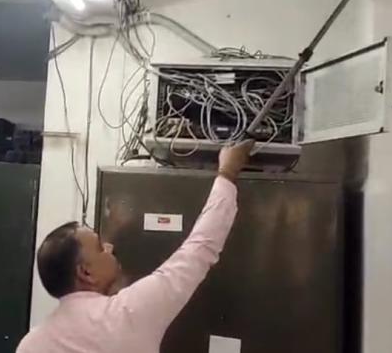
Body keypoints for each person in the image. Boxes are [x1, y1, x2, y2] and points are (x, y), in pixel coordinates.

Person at [16, 140, 255, 353]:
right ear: (85, 272)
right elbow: (198, 249)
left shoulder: (31, 345)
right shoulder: (127, 314)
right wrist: (226, 173)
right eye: (100, 247)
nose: (109, 247)